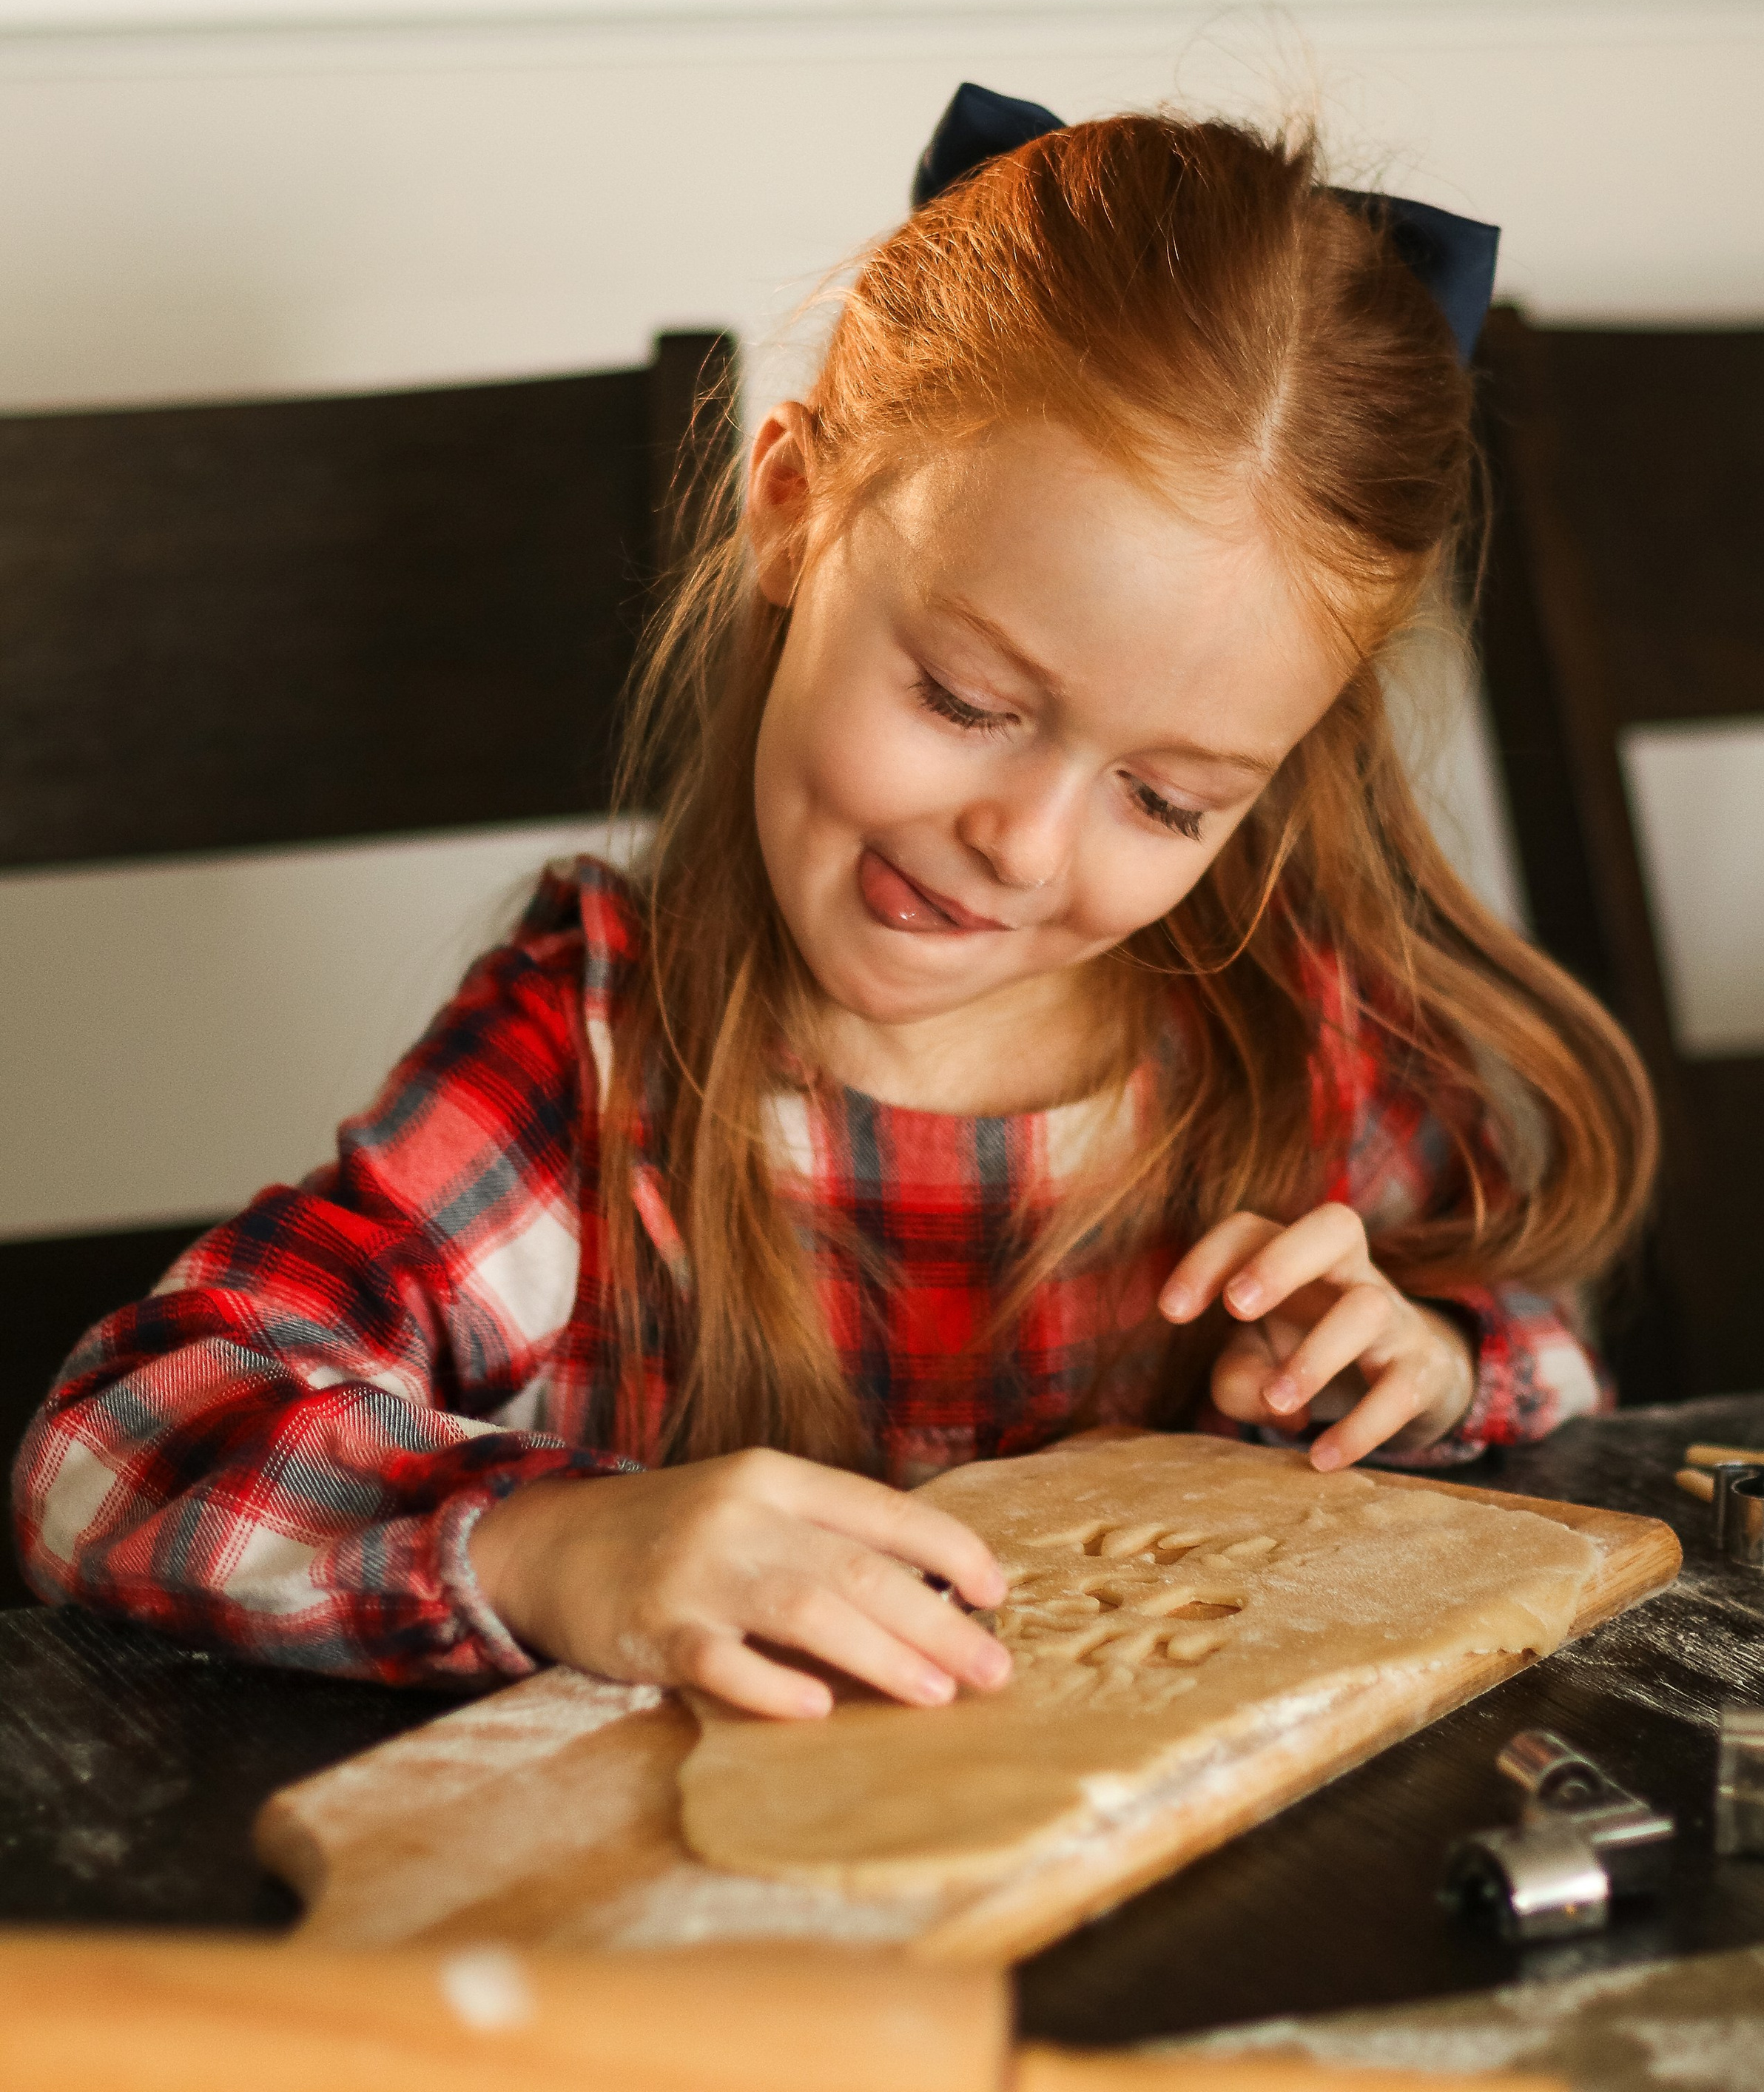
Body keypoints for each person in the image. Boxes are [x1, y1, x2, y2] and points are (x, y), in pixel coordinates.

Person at [13, 93, 1654, 1721]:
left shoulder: (1300, 1048)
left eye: (1165, 800)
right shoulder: (585, 1065)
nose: (1018, 843)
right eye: (961, 697)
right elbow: (111, 1454)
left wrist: (1423, 1363)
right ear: (793, 509)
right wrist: (554, 1543)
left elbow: (1542, 1362)